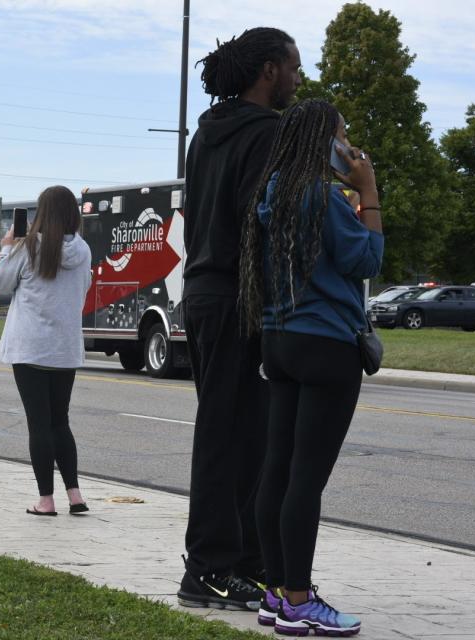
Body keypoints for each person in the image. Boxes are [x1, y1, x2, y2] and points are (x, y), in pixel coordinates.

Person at [240, 99, 380, 636]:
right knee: (306, 479)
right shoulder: (326, 197)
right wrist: (368, 193)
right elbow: (365, 262)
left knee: (277, 470)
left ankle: (277, 593)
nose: (350, 148)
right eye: (344, 137)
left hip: (280, 342)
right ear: (328, 142)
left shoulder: (274, 193)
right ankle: (299, 599)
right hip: (327, 345)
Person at [178, 27, 302, 610]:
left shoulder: (205, 136)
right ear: (269, 70)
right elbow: (265, 222)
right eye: (294, 67)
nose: (299, 79)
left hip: (203, 291)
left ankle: (247, 563)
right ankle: (207, 568)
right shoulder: (270, 133)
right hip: (238, 296)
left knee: (246, 434)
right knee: (230, 436)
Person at [0, 186, 92, 516]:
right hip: (64, 349)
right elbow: (84, 287)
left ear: (42, 213)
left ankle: (45, 500)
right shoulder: (84, 250)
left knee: (39, 424)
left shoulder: (28, 246)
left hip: (30, 347)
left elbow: (0, 283)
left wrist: (7, 247)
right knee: (60, 421)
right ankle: (75, 495)